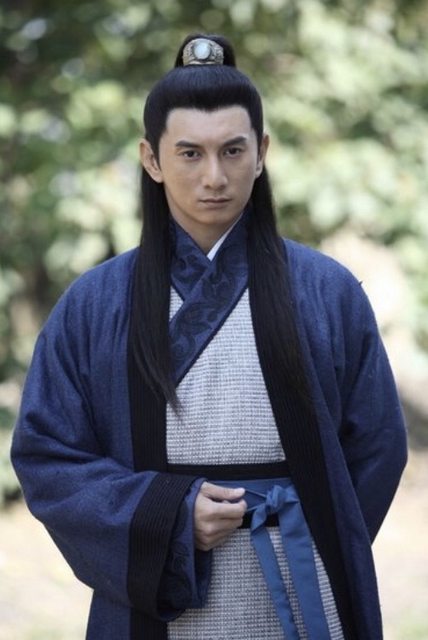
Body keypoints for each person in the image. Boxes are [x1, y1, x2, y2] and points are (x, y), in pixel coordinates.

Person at [11, 33, 407, 640]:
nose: (214, 177)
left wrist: (320, 536)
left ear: (262, 152)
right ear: (151, 160)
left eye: (233, 150)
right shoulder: (95, 303)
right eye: (190, 154)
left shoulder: (327, 291)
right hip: (158, 604)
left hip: (306, 584)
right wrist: (165, 519)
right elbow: (46, 454)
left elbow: (377, 444)